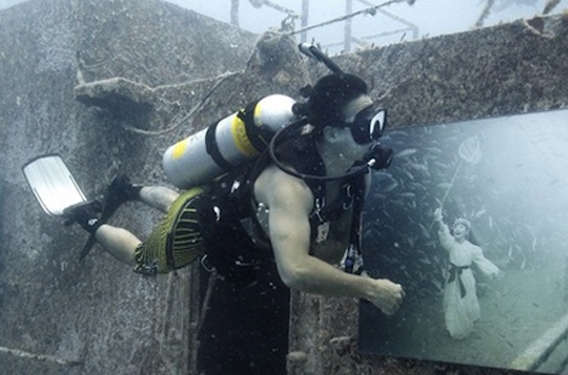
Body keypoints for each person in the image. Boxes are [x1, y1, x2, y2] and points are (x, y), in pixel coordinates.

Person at [63, 72, 405, 316]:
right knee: (146, 260)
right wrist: (370, 288)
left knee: (178, 202)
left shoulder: (355, 174)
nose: (378, 133)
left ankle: (130, 188)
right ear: (331, 134)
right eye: (366, 125)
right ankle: (89, 219)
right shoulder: (288, 186)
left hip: (229, 205)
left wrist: (296, 244)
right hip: (204, 220)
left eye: (378, 119)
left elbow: (334, 249)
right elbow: (295, 271)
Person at [433, 208, 500, 339]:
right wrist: (439, 219)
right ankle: (453, 327)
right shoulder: (451, 244)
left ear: (467, 232)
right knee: (452, 299)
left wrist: (492, 271)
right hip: (452, 276)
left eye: (461, 227)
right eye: (455, 226)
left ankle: (464, 327)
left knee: (464, 300)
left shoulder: (472, 248)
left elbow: (482, 261)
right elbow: (444, 232)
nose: (457, 229)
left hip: (466, 277)